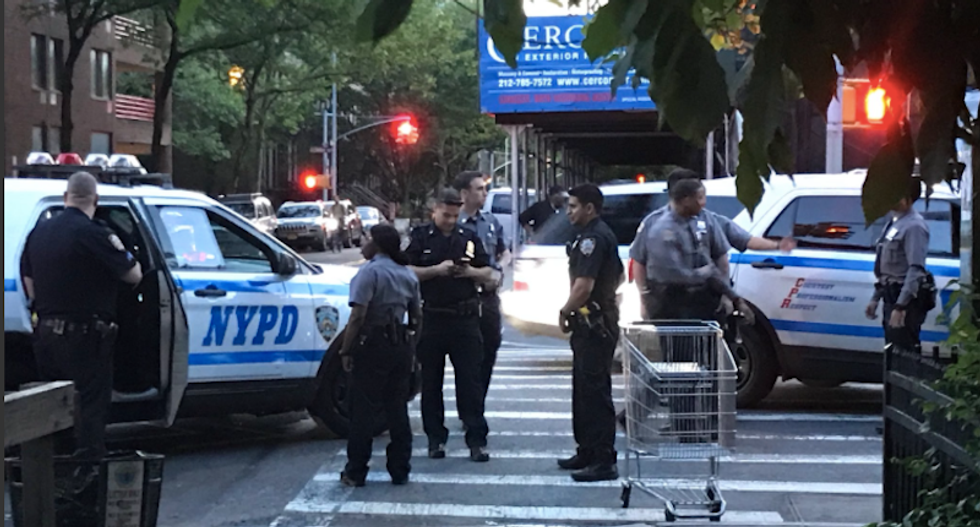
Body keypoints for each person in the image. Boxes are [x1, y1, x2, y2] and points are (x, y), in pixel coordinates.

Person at [20, 172, 143, 465]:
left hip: (46, 333)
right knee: (89, 406)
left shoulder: (39, 232)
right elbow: (134, 275)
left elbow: (28, 279)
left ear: (66, 198)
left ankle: (54, 475)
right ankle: (86, 475)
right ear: (95, 201)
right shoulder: (94, 233)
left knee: (55, 405)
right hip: (86, 337)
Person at [631, 168, 795, 319]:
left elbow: (737, 246)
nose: (703, 201)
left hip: (703, 298)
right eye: (698, 194)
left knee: (706, 345)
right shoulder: (654, 223)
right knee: (674, 346)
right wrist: (645, 297)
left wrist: (777, 245)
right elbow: (639, 261)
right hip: (667, 300)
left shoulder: (709, 220)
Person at [407, 188, 496, 463]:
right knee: (431, 383)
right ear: (434, 210)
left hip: (464, 318)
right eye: (445, 215)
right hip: (432, 317)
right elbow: (406, 270)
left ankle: (476, 439)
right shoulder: (420, 237)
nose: (449, 220)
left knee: (469, 381)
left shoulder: (467, 238)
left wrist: (468, 272)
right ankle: (436, 439)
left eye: (454, 215)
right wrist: (436, 270)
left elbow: (489, 273)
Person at [339, 224, 422, 488]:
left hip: (372, 343)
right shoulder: (406, 275)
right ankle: (400, 469)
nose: (362, 242)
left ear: (377, 244)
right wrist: (411, 346)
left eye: (366, 238)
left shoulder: (369, 273)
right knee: (397, 408)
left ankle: (356, 470)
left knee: (362, 409)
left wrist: (346, 348)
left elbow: (358, 316)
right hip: (400, 343)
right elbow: (417, 317)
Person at [557, 184, 624, 483]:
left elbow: (583, 286)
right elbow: (619, 273)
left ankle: (603, 458)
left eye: (573, 206)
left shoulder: (594, 238)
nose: (568, 211)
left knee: (595, 392)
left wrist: (565, 310)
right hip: (590, 322)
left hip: (596, 323)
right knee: (582, 389)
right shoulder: (590, 235)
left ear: (589, 208)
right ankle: (586, 449)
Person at [454, 171, 511, 403]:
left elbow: (504, 251)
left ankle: (477, 402)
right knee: (466, 356)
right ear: (464, 193)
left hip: (488, 297)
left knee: (490, 349)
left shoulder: (490, 221)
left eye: (485, 189)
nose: (484, 193)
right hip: (462, 297)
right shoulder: (453, 222)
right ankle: (468, 405)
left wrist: (499, 268)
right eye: (479, 189)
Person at [866, 177, 931, 350]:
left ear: (908, 199)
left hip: (903, 299)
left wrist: (901, 306)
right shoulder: (894, 222)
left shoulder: (914, 227)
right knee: (892, 351)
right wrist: (876, 298)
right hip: (890, 295)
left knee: (904, 354)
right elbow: (885, 268)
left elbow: (915, 269)